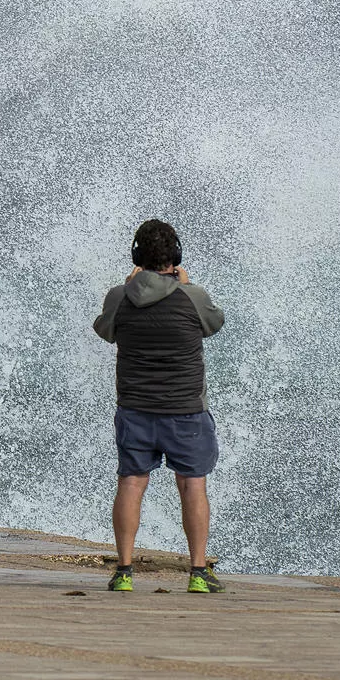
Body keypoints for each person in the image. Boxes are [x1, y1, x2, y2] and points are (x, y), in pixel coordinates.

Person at [92, 218, 228, 594]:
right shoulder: (193, 296)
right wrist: (184, 287)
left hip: (135, 409)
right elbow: (214, 324)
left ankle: (123, 572)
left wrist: (128, 285)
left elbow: (105, 331)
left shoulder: (120, 296)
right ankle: (198, 574)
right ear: (176, 257)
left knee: (132, 484)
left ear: (138, 256)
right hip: (186, 411)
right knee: (192, 486)